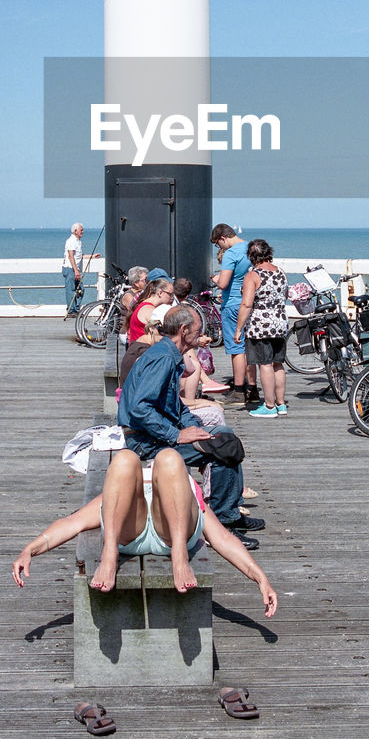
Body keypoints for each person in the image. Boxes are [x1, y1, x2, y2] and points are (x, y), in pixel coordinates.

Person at [11, 448, 277, 615]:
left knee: (170, 457)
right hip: (130, 532)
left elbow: (222, 539)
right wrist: (30, 550)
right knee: (125, 458)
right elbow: (72, 523)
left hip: (174, 536)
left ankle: (179, 558)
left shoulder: (180, 482)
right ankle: (109, 555)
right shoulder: (125, 488)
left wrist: (259, 577)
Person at [117, 304, 264, 544]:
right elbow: (139, 408)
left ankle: (231, 513)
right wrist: (176, 435)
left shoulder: (169, 354)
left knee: (222, 436)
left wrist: (193, 426)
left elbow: (173, 404)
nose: (201, 333)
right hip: (143, 441)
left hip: (154, 433)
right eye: (198, 329)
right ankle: (221, 525)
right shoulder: (163, 358)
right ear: (184, 330)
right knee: (222, 446)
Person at [234, 238, 290, 418]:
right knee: (278, 364)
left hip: (260, 326)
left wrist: (238, 329)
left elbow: (247, 304)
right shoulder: (281, 272)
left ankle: (269, 405)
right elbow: (284, 296)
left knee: (264, 364)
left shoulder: (252, 276)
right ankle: (281, 404)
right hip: (280, 323)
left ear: (251, 256)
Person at [210, 223, 256, 403]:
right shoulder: (252, 248)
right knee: (249, 346)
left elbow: (223, 283)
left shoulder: (231, 253)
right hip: (250, 303)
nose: (219, 248)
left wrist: (215, 279)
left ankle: (238, 390)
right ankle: (252, 389)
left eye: (217, 244)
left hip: (233, 304)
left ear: (223, 238)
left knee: (236, 348)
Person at [62, 223, 100, 316]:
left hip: (75, 269)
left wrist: (92, 256)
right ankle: (71, 311)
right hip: (70, 269)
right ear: (75, 231)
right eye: (81, 230)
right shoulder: (71, 241)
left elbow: (79, 256)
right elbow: (71, 256)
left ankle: (75, 309)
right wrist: (76, 270)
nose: (83, 232)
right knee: (71, 290)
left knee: (80, 289)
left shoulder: (78, 241)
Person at [126, 277, 174, 342]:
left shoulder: (146, 306)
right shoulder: (150, 310)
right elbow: (161, 336)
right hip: (143, 350)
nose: (172, 298)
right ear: (160, 293)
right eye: (170, 294)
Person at [119, 266, 148, 332]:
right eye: (145, 280)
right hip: (128, 331)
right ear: (136, 283)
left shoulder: (143, 293)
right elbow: (137, 313)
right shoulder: (129, 296)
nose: (147, 282)